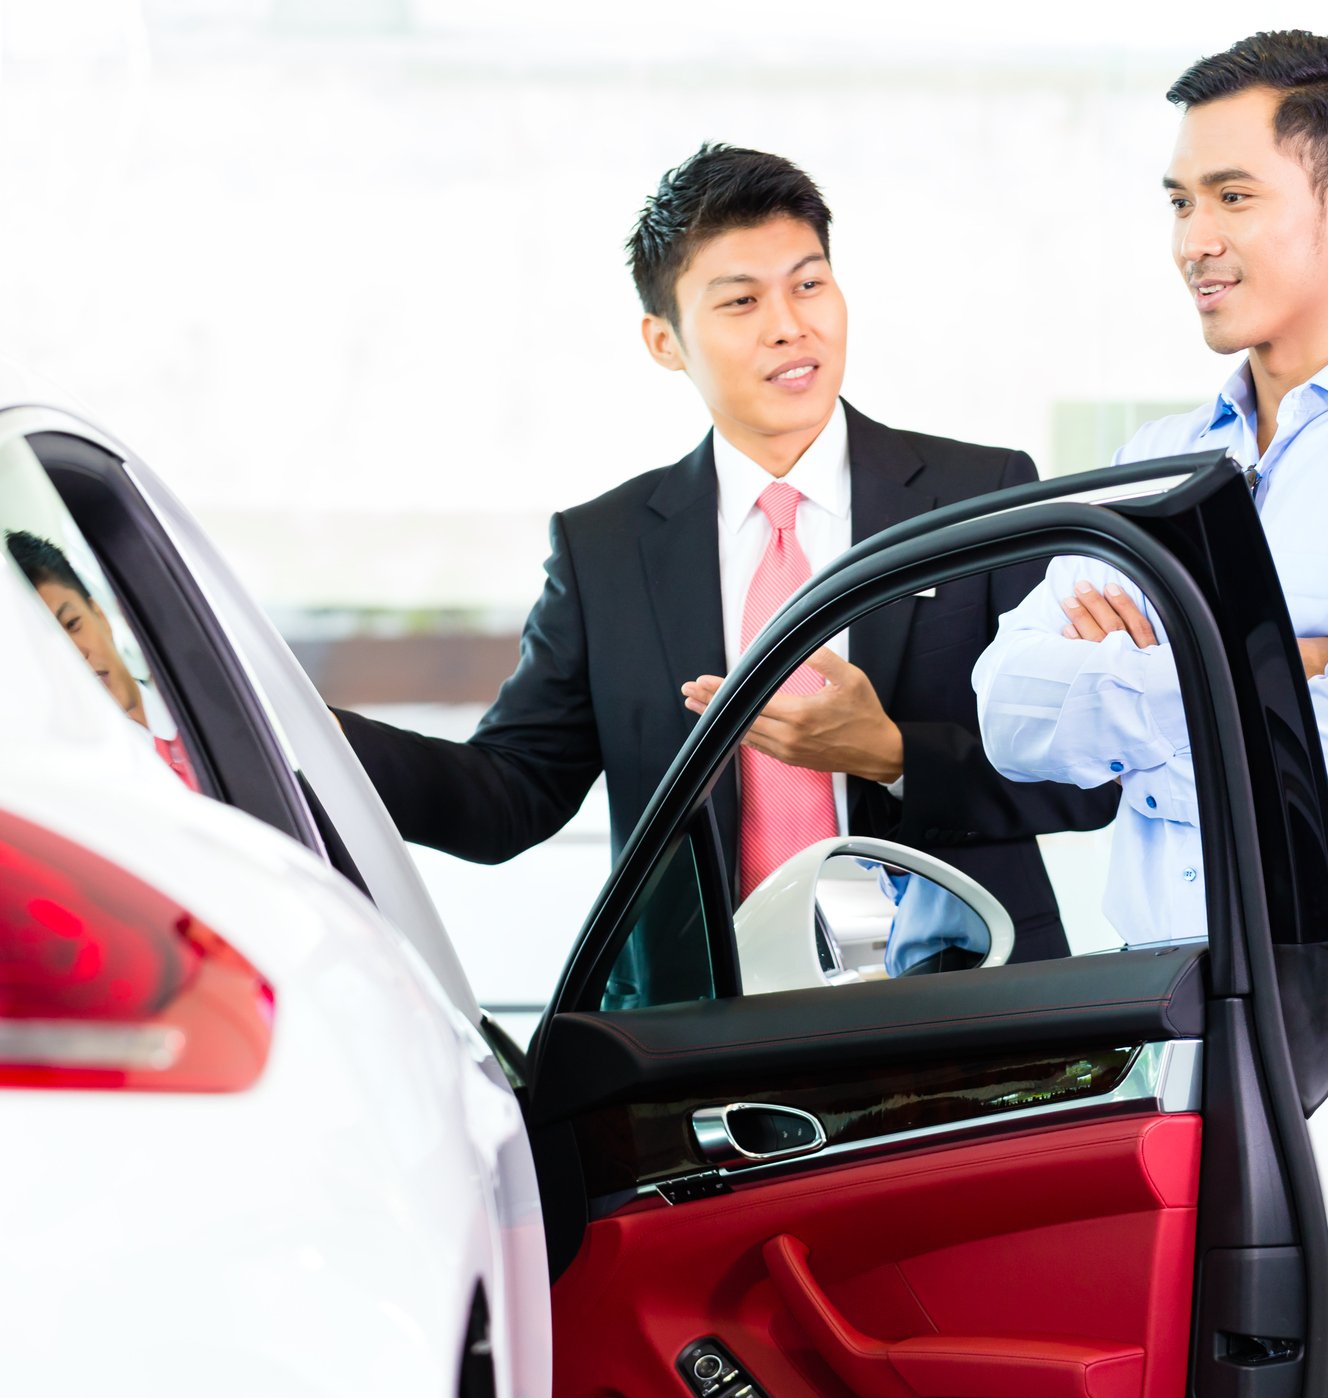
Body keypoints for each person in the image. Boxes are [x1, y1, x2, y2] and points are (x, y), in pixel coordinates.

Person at [970, 33, 1328, 1398]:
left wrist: (1147, 657)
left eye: (1230, 196)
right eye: (1179, 202)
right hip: (1160, 1008)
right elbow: (1010, 711)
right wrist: (1265, 659)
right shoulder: (1156, 463)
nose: (1192, 239)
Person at [334, 143, 1114, 962]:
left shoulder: (980, 495)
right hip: (703, 1023)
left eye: (809, 284)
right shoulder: (607, 547)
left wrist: (888, 755)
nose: (790, 325)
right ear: (664, 340)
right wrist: (292, 729)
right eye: (740, 302)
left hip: (966, 1006)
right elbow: (507, 798)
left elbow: (1085, 777)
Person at [5, 529, 201, 792]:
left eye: (72, 624)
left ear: (100, 616)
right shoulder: (84, 782)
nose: (75, 654)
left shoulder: (197, 708)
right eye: (48, 648)